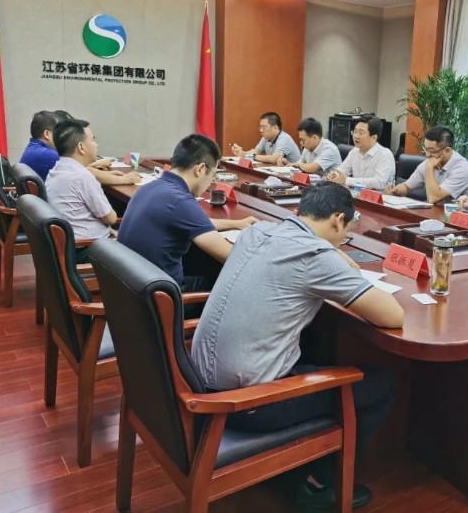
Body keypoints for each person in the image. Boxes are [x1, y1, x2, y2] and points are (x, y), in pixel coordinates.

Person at [191, 181, 404, 510]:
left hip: (198, 382)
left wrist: (333, 253)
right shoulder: (315, 256)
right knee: (379, 383)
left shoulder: (256, 232)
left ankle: (299, 464)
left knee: (313, 344)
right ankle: (321, 485)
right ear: (338, 220)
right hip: (244, 404)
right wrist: (337, 260)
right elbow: (392, 315)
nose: (343, 240)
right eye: (346, 233)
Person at [117, 134, 257, 295]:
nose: (211, 183)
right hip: (164, 298)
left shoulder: (151, 187)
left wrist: (237, 224)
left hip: (134, 289)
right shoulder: (181, 201)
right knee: (235, 284)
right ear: (200, 169)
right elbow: (232, 256)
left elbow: (198, 223)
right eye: (213, 175)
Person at [46, 118, 118, 262]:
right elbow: (111, 218)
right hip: (86, 249)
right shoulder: (82, 176)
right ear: (81, 147)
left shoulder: (55, 170)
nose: (96, 144)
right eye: (93, 140)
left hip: (69, 246)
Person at [386, 125, 468, 203]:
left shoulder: (462, 168)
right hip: (434, 213)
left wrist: (429, 168)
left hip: (457, 216)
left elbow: (434, 198)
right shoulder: (430, 161)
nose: (428, 155)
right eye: (426, 150)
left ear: (447, 150)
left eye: (431, 151)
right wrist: (395, 190)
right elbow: (407, 187)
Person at [326, 115, 395, 190]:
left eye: (361, 133)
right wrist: (334, 175)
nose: (356, 136)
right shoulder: (354, 151)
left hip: (380, 196)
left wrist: (347, 180)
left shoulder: (385, 155)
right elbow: (342, 171)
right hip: (358, 194)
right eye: (355, 132)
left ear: (374, 137)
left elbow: (379, 182)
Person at [230, 111, 300, 163]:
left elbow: (274, 159)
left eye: (264, 127)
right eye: (260, 127)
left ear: (275, 127)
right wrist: (242, 153)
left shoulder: (284, 139)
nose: (261, 130)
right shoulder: (265, 138)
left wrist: (251, 156)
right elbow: (256, 151)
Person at [19, 111, 61, 180]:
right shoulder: (48, 155)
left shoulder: (34, 148)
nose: (62, 137)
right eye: (59, 133)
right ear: (47, 134)